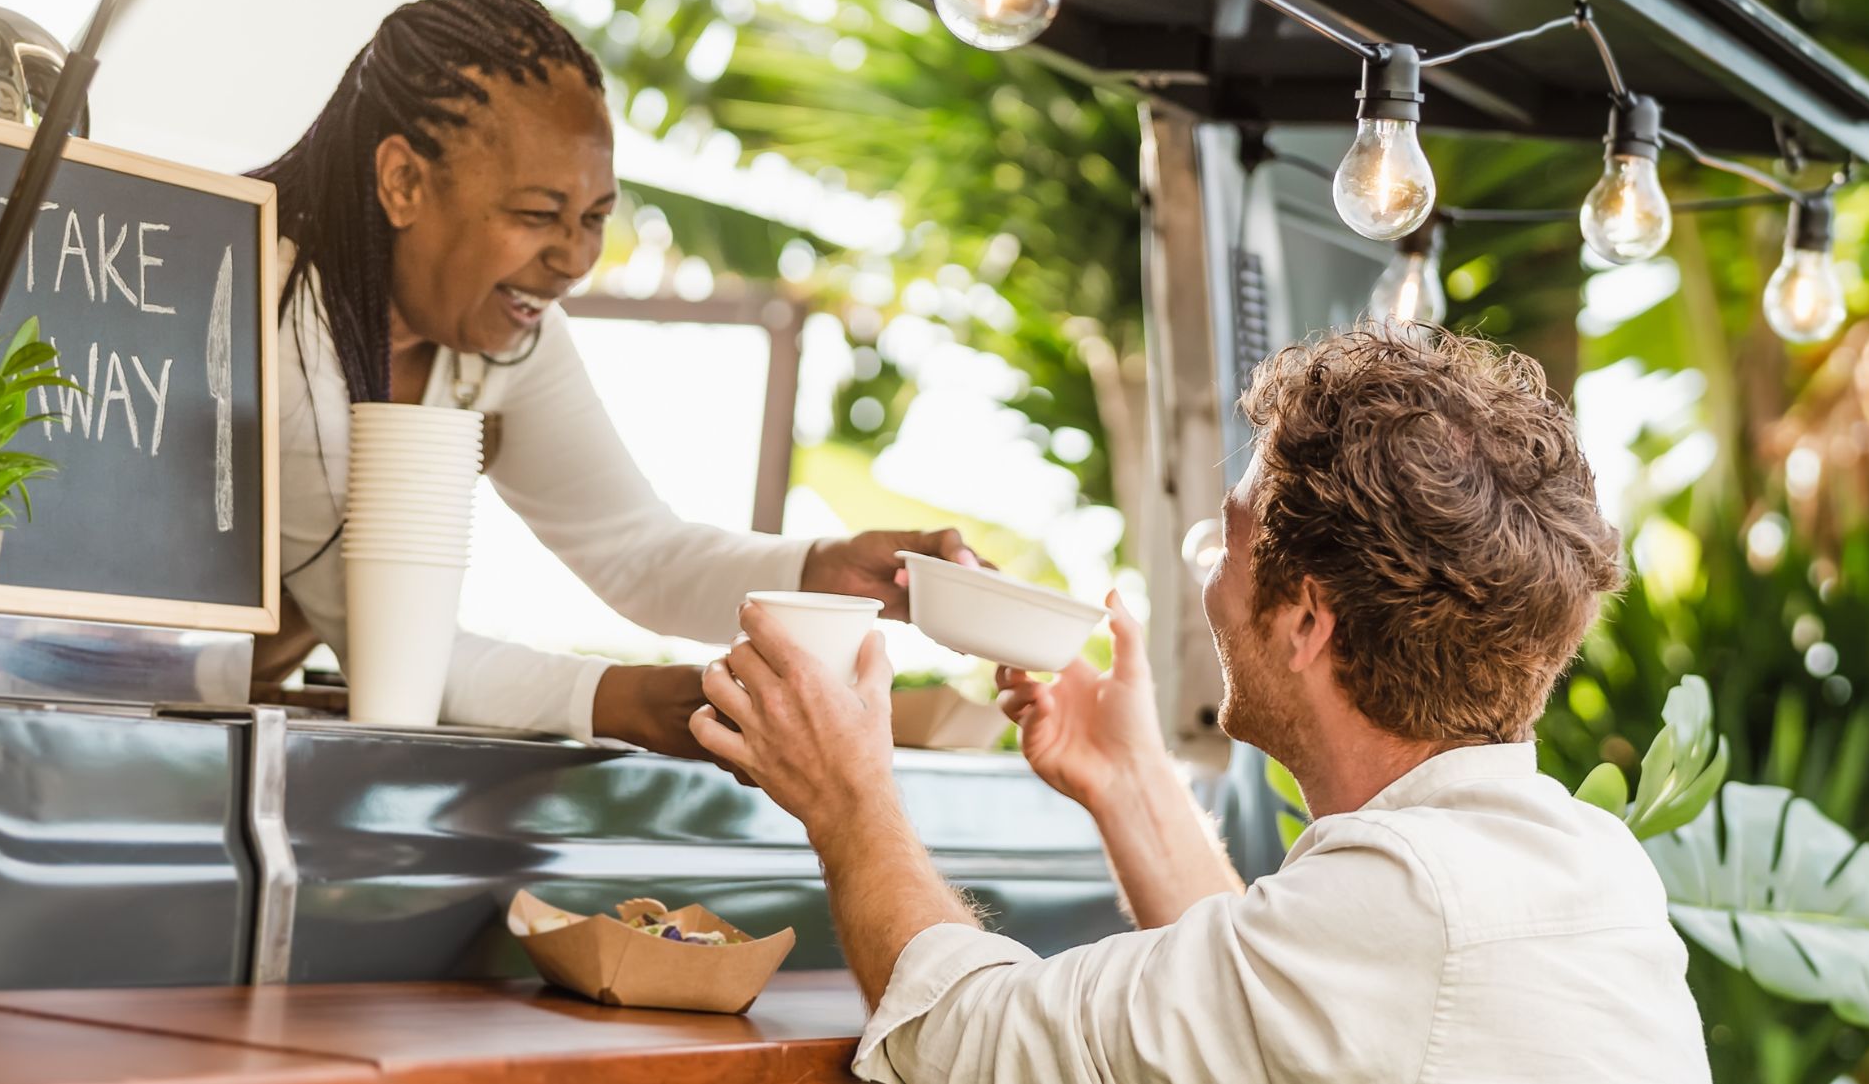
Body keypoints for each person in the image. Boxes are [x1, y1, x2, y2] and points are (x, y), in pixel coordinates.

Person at [691, 328, 1712, 1082]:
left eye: (1228, 542)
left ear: (1307, 620)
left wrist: (848, 791)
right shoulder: (1586, 868)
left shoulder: (1410, 901)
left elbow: (962, 1043)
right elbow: (1271, 1017)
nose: (1211, 583)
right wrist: (1130, 779)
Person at [255, 0, 974, 756]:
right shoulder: (267, 313)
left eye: (595, 217)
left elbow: (638, 552)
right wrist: (633, 700)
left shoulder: (507, 330)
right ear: (402, 181)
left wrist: (824, 572)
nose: (572, 259)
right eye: (536, 214)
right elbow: (396, 652)